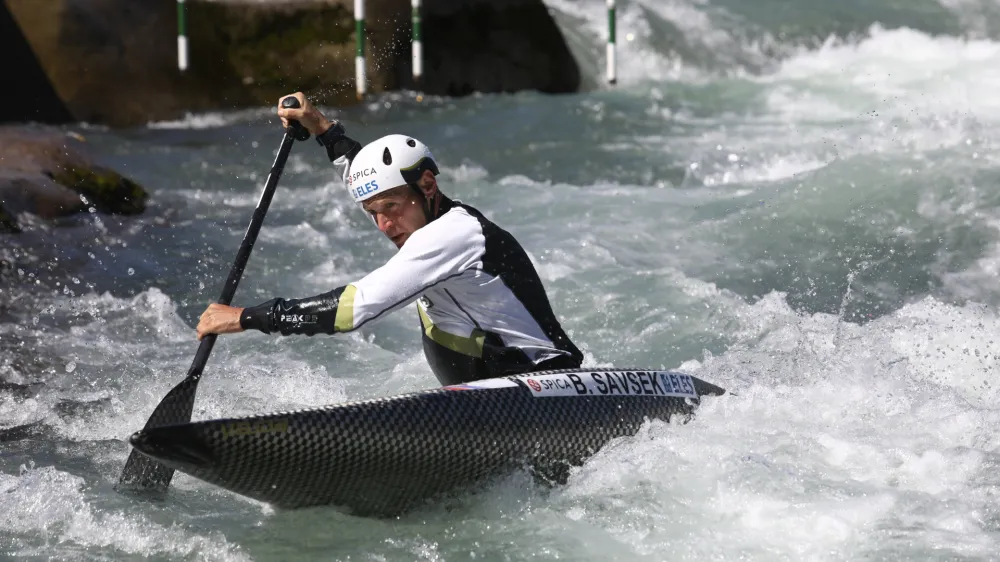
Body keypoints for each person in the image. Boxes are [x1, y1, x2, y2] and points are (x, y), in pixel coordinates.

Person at [195, 92, 583, 386]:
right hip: (491, 384)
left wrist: (249, 317)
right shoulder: (413, 211)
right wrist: (322, 128)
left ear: (428, 184)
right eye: (372, 213)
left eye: (391, 208)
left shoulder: (453, 234)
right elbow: (360, 171)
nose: (383, 225)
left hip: (544, 381)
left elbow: (353, 309)